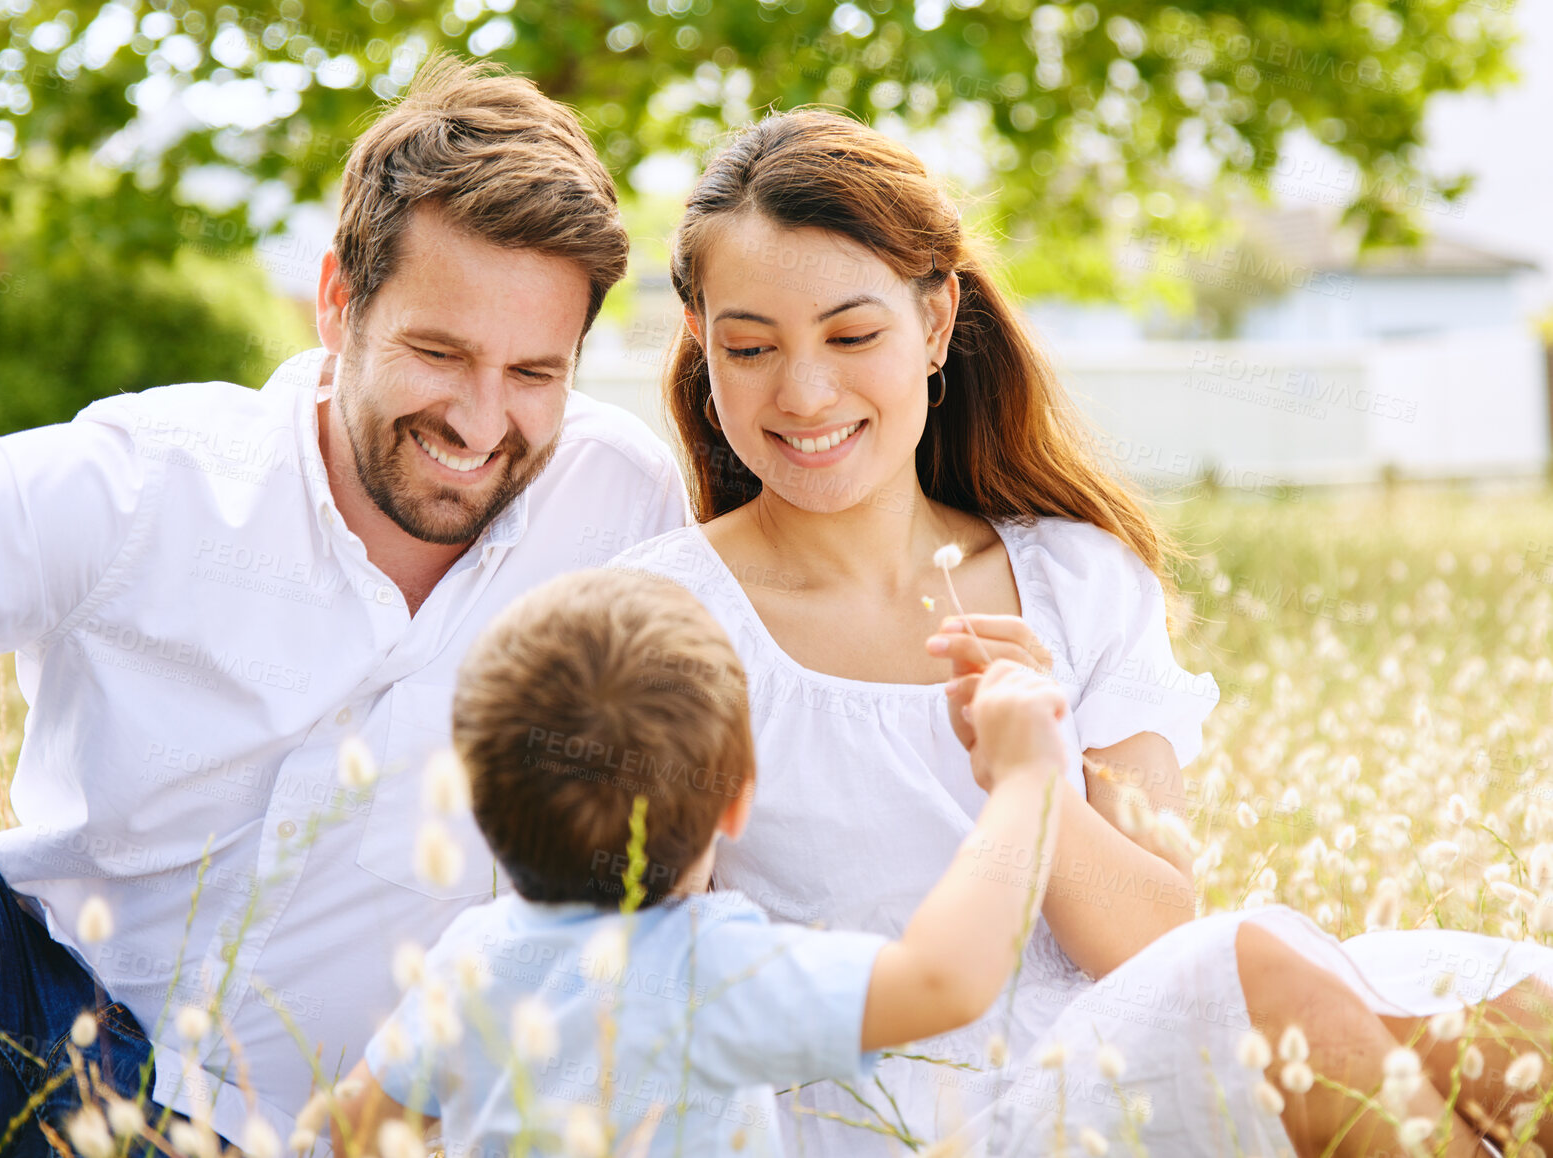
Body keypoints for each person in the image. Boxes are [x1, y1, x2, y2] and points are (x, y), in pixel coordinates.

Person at [614, 109, 1553, 1157]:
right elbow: (637, 989)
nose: (804, 392)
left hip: (1107, 1059)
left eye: (851, 334)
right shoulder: (658, 620)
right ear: (702, 346)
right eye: (750, 347)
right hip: (890, 1116)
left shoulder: (1076, 579)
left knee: (1513, 1006)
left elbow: (1151, 937)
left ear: (934, 325)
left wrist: (1040, 785)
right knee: (1253, 966)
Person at [0, 58, 689, 1156]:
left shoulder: (620, 502)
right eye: (439, 352)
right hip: (34, 1048)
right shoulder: (148, 482)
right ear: (338, 302)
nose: (482, 422)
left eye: (535, 372)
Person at [329, 567, 1072, 1157]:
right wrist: (1026, 779)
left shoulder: (473, 960)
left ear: (475, 800)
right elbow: (943, 981)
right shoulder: (712, 969)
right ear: (737, 801)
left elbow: (351, 1128)